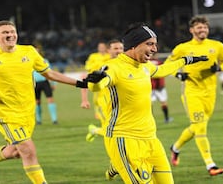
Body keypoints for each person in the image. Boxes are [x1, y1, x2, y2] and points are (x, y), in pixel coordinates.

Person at [0, 20, 87, 184]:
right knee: (28, 150)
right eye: (5, 32)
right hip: (6, 113)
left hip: (27, 112)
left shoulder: (29, 51)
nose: (10, 35)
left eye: (12, 31)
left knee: (15, 152)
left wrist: (79, 83)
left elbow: (50, 74)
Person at [85, 22, 208, 183]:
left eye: (155, 45)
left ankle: (115, 166)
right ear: (133, 46)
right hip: (123, 139)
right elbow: (98, 85)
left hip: (151, 139)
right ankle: (117, 163)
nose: (155, 49)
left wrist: (186, 60)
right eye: (149, 44)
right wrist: (94, 81)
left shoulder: (144, 66)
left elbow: (162, 70)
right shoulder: (113, 67)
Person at [166, 16, 223, 176]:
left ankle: (175, 147)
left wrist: (219, 68)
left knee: (195, 127)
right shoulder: (183, 48)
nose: (202, 30)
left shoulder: (217, 46)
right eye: (199, 28)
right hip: (191, 92)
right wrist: (178, 75)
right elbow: (168, 64)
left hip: (210, 93)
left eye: (205, 28)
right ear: (191, 30)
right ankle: (210, 165)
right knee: (200, 127)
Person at [85, 39, 124, 143]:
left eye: (121, 48)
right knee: (110, 130)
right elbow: (87, 79)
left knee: (118, 130)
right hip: (103, 101)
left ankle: (95, 131)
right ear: (109, 50)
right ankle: (95, 131)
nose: (119, 51)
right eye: (115, 48)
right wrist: (84, 99)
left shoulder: (124, 63)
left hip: (119, 102)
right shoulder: (100, 64)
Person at [80, 41, 110, 118]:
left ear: (106, 48)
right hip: (96, 78)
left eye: (103, 47)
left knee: (105, 96)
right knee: (97, 97)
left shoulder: (109, 55)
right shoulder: (93, 56)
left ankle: (104, 112)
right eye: (100, 47)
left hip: (106, 78)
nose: (101, 48)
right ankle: (97, 112)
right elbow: (88, 66)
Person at [33, 48, 58, 125]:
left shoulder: (45, 61)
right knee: (37, 102)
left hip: (45, 82)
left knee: (50, 99)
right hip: (35, 83)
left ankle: (54, 119)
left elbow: (50, 72)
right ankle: (38, 120)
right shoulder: (28, 61)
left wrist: (53, 83)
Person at [150, 54, 173, 123]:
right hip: (160, 87)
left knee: (149, 104)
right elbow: (163, 72)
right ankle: (166, 118)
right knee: (163, 102)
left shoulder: (147, 63)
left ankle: (150, 120)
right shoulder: (159, 62)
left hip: (150, 86)